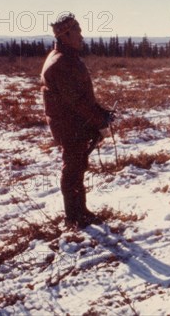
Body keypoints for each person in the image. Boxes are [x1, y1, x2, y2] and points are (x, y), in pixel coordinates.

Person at [41, 13, 112, 229]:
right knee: (72, 169)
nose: (81, 35)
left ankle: (79, 212)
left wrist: (100, 113)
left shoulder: (67, 58)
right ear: (66, 35)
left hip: (75, 125)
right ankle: (73, 217)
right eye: (78, 31)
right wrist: (100, 120)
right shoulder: (61, 63)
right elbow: (77, 102)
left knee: (77, 167)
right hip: (69, 127)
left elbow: (81, 98)